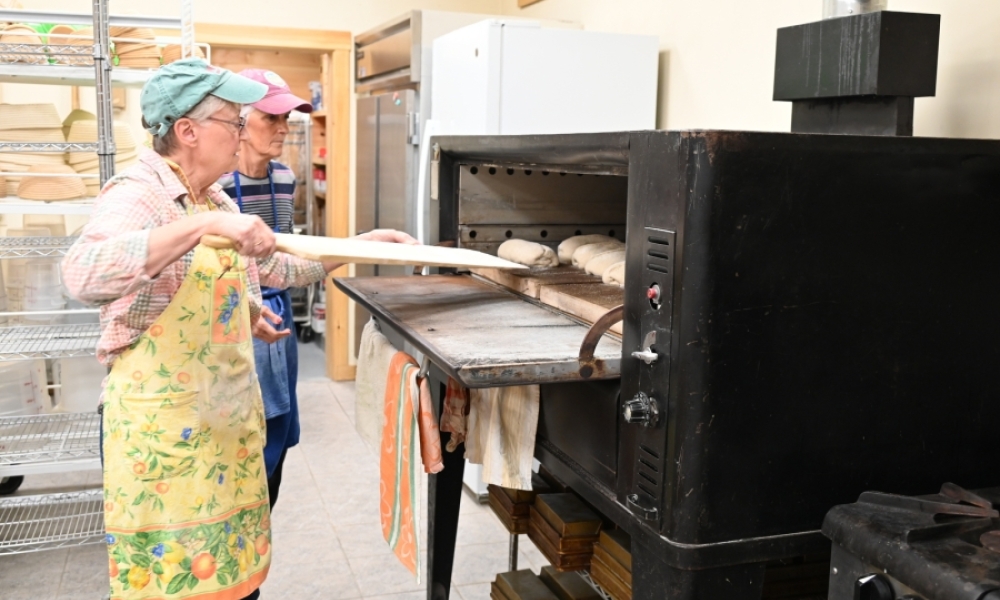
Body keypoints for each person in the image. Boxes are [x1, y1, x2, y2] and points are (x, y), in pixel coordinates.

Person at [62, 58, 416, 600]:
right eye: (233, 121)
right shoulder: (141, 192)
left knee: (230, 582)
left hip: (222, 432)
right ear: (187, 131)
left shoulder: (213, 196)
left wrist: (361, 245)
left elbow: (276, 269)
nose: (240, 133)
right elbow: (83, 273)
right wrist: (201, 226)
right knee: (175, 586)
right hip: (165, 439)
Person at [215, 69, 312, 509]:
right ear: (241, 121)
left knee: (281, 428)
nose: (282, 127)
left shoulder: (285, 178)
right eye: (271, 118)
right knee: (244, 430)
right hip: (238, 311)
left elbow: (284, 256)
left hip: (280, 313)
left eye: (285, 117)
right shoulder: (216, 189)